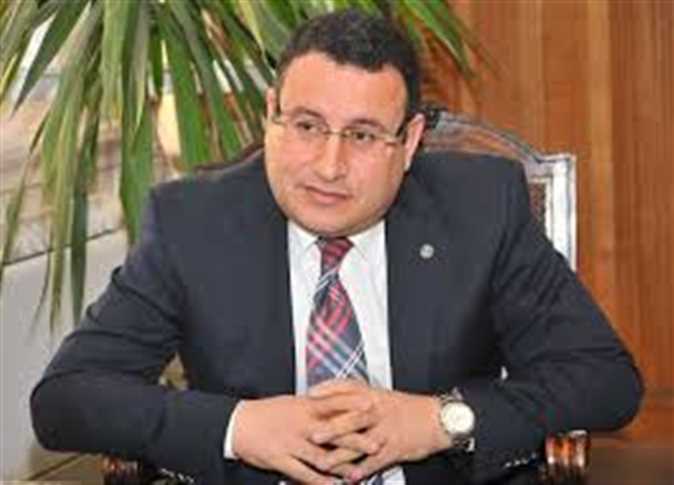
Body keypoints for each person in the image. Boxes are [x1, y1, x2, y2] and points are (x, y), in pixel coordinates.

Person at [31, 9, 642, 485]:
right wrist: (240, 427)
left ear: (409, 142)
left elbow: (603, 379)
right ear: (271, 114)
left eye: (363, 135)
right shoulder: (193, 222)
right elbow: (67, 398)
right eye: (306, 125)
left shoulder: (481, 208)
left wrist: (440, 420)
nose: (329, 165)